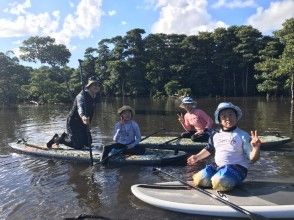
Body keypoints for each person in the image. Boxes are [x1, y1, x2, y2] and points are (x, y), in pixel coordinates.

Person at [187, 102, 261, 192]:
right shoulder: (215, 134)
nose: (228, 118)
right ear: (219, 120)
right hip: (218, 166)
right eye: (224, 116)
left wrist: (256, 148)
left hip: (238, 168)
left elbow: (252, 159)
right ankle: (218, 178)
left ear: (236, 117)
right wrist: (197, 157)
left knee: (219, 182)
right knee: (199, 180)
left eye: (231, 115)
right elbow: (209, 149)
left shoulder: (243, 135)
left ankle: (223, 180)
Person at [46, 76, 101, 149]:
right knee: (78, 146)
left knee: (88, 143)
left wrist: (88, 122)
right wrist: (83, 116)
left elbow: (91, 111)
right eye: (94, 84)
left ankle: (72, 139)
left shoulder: (95, 96)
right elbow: (80, 107)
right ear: (89, 86)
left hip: (84, 122)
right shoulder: (81, 95)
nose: (97, 86)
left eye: (98, 85)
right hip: (74, 122)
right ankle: (58, 139)